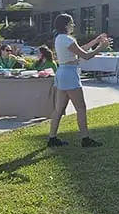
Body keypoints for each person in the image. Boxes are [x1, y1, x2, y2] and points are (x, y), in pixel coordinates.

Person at [47, 13, 113, 148]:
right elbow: (86, 56)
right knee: (81, 108)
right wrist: (101, 47)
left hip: (63, 73)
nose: (73, 25)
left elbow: (79, 50)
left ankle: (52, 138)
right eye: (71, 23)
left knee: (59, 109)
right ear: (66, 25)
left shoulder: (60, 38)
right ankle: (85, 138)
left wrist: (95, 41)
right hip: (69, 75)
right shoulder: (66, 39)